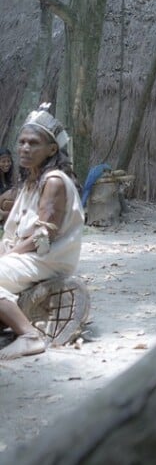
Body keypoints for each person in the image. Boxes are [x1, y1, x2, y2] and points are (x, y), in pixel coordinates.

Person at [0, 103, 84, 360]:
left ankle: (29, 335)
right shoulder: (32, 180)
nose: (25, 148)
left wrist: (8, 255)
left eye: (33, 143)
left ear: (51, 149)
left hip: (47, 259)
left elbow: (42, 236)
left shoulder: (54, 181)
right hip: (29, 255)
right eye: (22, 142)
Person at [0, 147, 16, 223]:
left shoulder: (10, 177)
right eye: (3, 161)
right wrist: (3, 214)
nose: (6, 164)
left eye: (8, 161)